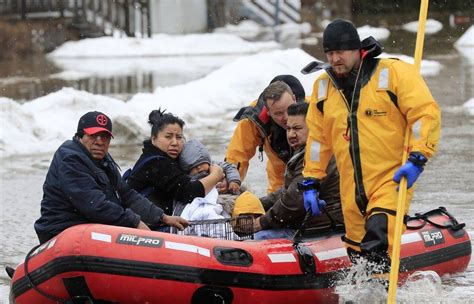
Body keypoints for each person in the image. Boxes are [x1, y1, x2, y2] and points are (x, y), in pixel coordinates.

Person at [302, 19, 441, 272]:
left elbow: (424, 115)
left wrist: (418, 158)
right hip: (351, 190)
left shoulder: (392, 74)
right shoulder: (323, 88)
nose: (335, 59)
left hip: (391, 178)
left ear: (357, 50)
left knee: (378, 239)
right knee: (359, 258)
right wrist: (311, 181)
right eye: (330, 53)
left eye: (340, 52)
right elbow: (317, 141)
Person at [34, 111, 188, 244]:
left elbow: (127, 195)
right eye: (94, 135)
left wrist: (163, 217)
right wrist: (135, 222)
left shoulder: (104, 160)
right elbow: (95, 205)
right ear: (80, 136)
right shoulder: (70, 159)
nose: (100, 141)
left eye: (105, 136)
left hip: (90, 229)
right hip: (63, 231)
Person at [248, 103, 342, 240]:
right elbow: (286, 191)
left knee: (255, 238)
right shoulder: (302, 152)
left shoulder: (317, 155)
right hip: (307, 225)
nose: (291, 134)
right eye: (288, 129)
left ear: (314, 128)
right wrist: (256, 204)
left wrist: (261, 222)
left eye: (297, 128)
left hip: (322, 228)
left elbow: (294, 200)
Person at [126, 109, 225, 223]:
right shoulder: (156, 163)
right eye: (168, 137)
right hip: (145, 227)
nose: (175, 143)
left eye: (179, 137)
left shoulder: (169, 157)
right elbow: (190, 192)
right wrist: (216, 175)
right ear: (154, 139)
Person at [225, 75, 307, 193]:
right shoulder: (254, 119)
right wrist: (230, 181)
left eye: (288, 109)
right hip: (279, 178)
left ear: (294, 99)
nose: (286, 117)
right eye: (278, 113)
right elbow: (237, 155)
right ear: (267, 111)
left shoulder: (312, 109)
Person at [176, 139, 241, 220]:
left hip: (223, 197)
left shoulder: (214, 166)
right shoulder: (186, 178)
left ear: (208, 161)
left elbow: (229, 167)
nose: (199, 167)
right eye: (194, 167)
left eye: (201, 163)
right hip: (203, 202)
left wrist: (234, 180)